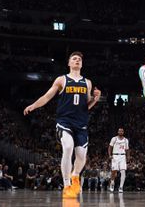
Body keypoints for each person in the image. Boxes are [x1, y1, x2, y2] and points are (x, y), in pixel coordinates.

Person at [23, 51, 101, 198]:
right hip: (64, 121)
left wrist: (96, 99)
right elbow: (47, 96)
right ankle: (66, 185)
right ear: (69, 63)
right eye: (74, 59)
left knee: (81, 156)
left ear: (82, 64)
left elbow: (87, 106)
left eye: (79, 59)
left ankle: (75, 175)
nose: (77, 60)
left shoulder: (87, 82)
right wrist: (33, 105)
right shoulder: (62, 80)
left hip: (81, 124)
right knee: (67, 147)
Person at [108, 128, 129, 193]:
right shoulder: (114, 139)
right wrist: (109, 155)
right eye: (119, 131)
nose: (120, 132)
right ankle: (112, 184)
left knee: (123, 172)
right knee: (114, 171)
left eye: (122, 131)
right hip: (115, 156)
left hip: (123, 156)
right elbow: (110, 147)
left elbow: (127, 149)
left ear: (123, 132)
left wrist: (128, 156)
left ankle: (121, 187)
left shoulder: (126, 140)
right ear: (118, 132)